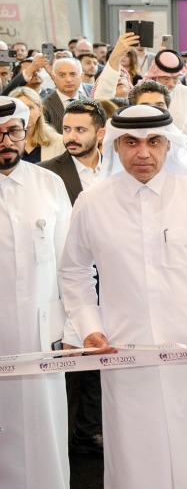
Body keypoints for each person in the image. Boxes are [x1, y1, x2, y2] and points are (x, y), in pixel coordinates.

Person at [59, 104, 187, 489]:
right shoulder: (92, 202)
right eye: (131, 142)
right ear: (116, 145)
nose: (142, 153)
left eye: (153, 142)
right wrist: (89, 327)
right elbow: (73, 272)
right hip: (127, 357)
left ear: (168, 145)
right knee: (137, 462)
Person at [0, 95, 74, 489]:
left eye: (13, 132)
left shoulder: (48, 184)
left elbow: (71, 264)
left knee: (45, 429)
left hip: (42, 335)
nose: (6, 142)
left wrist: (75, 328)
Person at [40, 99, 107, 453]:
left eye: (80, 130)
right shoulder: (47, 175)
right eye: (66, 129)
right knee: (70, 359)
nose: (71, 137)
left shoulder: (118, 169)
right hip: (68, 279)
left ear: (101, 133)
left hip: (113, 279)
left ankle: (91, 428)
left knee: (103, 353)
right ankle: (67, 435)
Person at [10, 86, 65, 163]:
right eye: (19, 109)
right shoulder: (4, 141)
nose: (25, 113)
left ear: (40, 110)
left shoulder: (59, 141)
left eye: (30, 108)